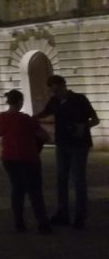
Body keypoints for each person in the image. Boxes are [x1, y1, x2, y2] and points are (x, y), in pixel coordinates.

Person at [35, 74, 100, 229]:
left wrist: (84, 127)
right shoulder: (54, 101)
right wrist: (27, 119)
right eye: (52, 91)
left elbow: (95, 119)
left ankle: (80, 216)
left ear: (63, 86)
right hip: (62, 144)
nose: (54, 93)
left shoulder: (79, 99)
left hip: (79, 145)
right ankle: (63, 213)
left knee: (78, 180)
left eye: (56, 90)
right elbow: (44, 113)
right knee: (61, 180)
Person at [0, 89, 52, 233]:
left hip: (9, 158)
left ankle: (19, 222)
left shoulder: (2, 117)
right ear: (19, 102)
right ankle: (42, 224)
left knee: (17, 190)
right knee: (35, 192)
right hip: (28, 157)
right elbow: (44, 136)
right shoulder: (25, 119)